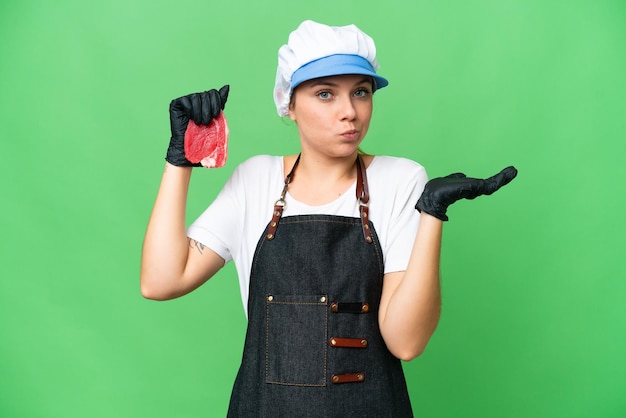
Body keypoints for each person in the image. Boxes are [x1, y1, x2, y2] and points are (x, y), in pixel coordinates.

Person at [141, 20, 517, 417]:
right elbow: (160, 280)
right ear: (289, 103)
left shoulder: (400, 179)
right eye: (325, 94)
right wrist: (179, 160)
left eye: (361, 92)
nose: (349, 112)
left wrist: (432, 215)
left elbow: (406, 342)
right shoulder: (255, 180)